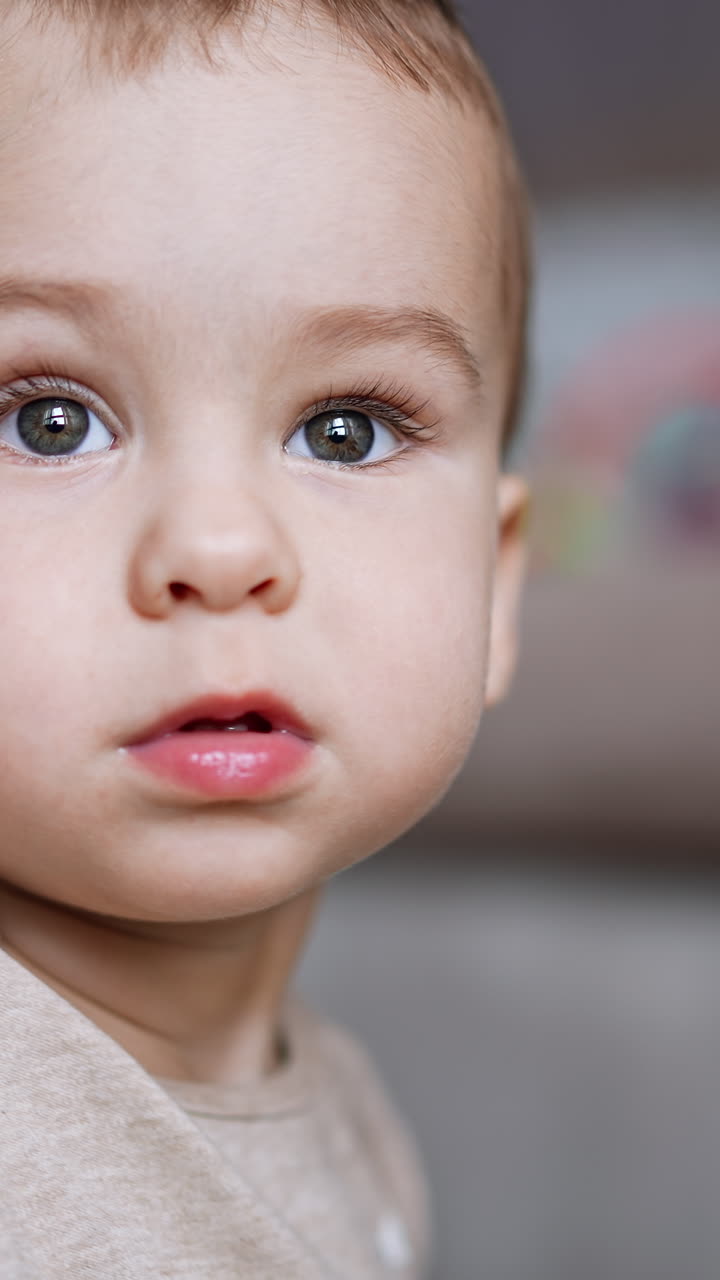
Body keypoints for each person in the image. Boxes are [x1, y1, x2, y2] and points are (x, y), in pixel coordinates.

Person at [0, 0, 532, 1274]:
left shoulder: (357, 1128)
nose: (222, 550)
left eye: (345, 427)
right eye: (50, 420)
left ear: (499, 585)